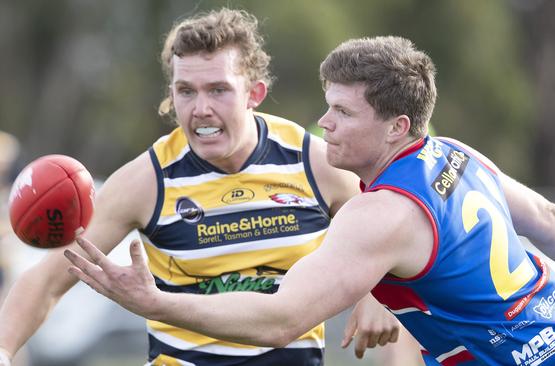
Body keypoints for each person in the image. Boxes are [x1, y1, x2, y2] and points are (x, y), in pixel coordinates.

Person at [64, 36, 555, 365]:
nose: (324, 123)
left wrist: (155, 303)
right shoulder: (453, 153)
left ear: (396, 126)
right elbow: (547, 218)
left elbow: (280, 319)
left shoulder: (380, 214)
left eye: (343, 112)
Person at [0, 10, 406, 366]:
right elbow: (47, 279)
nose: (201, 108)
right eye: (186, 91)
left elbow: (395, 238)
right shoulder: (147, 180)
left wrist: (381, 295)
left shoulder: (313, 163)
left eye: (218, 89)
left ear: (254, 93)